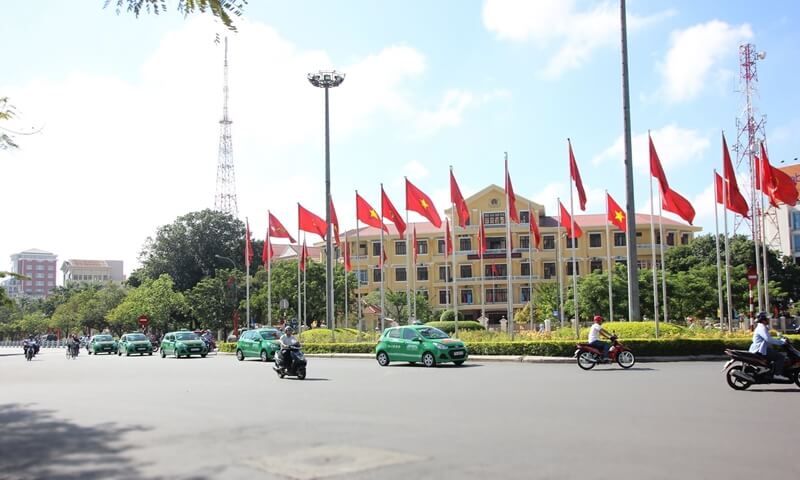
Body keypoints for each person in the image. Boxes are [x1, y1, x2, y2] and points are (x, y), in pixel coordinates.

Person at [749, 312, 788, 381]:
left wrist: (779, 336)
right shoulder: (762, 328)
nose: (769, 320)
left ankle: (769, 373)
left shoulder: (762, 327)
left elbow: (769, 335)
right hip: (760, 350)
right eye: (767, 319)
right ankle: (777, 374)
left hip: (761, 349)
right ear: (764, 320)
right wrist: (781, 342)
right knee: (780, 357)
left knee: (775, 354)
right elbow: (768, 339)